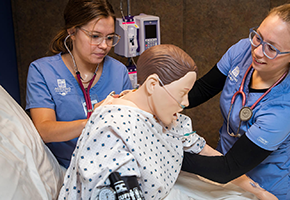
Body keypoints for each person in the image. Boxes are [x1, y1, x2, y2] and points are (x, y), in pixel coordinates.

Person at [58, 44, 277, 200]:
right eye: (182, 93)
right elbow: (120, 189)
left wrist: (257, 190)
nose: (185, 103)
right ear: (153, 84)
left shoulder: (172, 121)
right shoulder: (114, 127)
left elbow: (210, 156)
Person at [182, 4, 290, 200]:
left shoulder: (285, 107)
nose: (258, 52)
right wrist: (156, 102)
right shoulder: (243, 50)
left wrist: (167, 152)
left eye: (272, 48)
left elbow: (229, 168)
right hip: (222, 169)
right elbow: (201, 91)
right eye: (258, 37)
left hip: (265, 185)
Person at [25, 0, 132, 169]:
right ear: (72, 32)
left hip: (111, 164)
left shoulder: (119, 72)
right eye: (95, 36)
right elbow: (44, 130)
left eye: (110, 37)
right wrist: (92, 120)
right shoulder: (43, 71)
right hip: (63, 168)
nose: (104, 46)